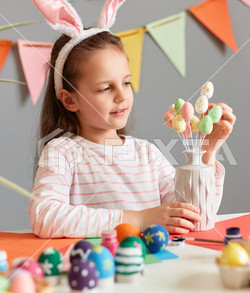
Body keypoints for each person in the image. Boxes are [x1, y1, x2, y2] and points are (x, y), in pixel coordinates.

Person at [29, 0, 236, 238]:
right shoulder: (62, 152)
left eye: (126, 82)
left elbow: (196, 217)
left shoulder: (148, 155)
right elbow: (44, 216)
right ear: (69, 100)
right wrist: (137, 219)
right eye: (105, 88)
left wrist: (206, 155)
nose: (121, 96)